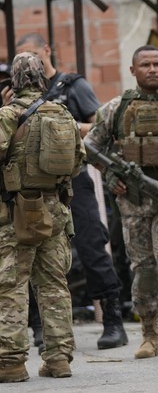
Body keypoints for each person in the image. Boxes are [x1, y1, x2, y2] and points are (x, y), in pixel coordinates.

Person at [14, 32, 128, 350]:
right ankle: (38, 327)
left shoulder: (71, 86)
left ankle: (114, 321)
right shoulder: (13, 95)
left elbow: (101, 127)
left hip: (72, 181)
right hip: (30, 189)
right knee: (30, 252)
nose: (29, 65)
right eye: (22, 59)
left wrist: (63, 125)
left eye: (33, 56)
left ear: (47, 51)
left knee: (93, 247)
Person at [85, 45, 158, 360]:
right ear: (133, 70)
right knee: (144, 269)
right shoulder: (115, 108)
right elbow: (91, 146)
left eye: (157, 64)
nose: (152, 69)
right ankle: (149, 333)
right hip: (132, 201)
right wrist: (110, 175)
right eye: (145, 65)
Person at [0, 52, 84, 382]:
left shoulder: (8, 114)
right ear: (43, 81)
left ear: (14, 83)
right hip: (56, 212)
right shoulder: (62, 113)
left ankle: (10, 362)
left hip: (15, 213)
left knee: (10, 286)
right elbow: (77, 163)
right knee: (54, 286)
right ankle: (59, 359)